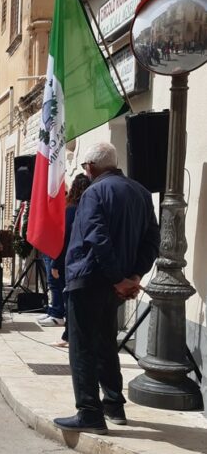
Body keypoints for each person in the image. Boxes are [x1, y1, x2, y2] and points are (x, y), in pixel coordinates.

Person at [54, 143, 159, 434]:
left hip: (89, 280)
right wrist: (133, 276)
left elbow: (96, 238)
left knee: (83, 347)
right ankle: (114, 405)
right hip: (117, 284)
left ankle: (89, 412)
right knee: (105, 344)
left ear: (90, 167)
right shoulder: (140, 192)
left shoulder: (93, 193)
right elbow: (152, 240)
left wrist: (118, 278)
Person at [50, 174, 91, 347]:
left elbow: (64, 238)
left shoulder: (71, 209)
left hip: (70, 261)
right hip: (88, 261)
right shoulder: (91, 207)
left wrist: (55, 263)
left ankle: (69, 335)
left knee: (69, 300)